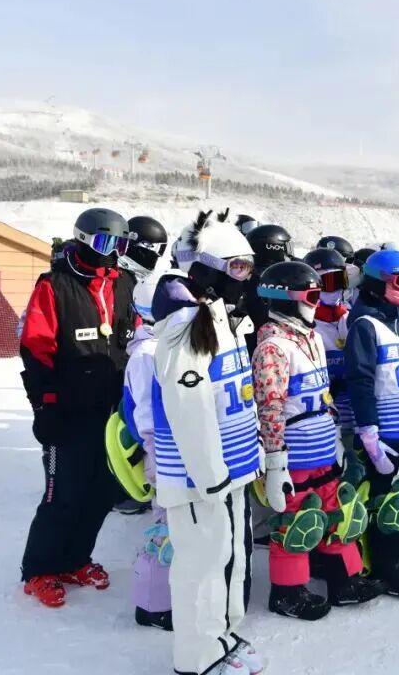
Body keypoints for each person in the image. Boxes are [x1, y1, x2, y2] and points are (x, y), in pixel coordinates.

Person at [152, 210, 264, 675]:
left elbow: (234, 394)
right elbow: (188, 405)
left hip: (232, 466)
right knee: (202, 562)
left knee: (231, 555)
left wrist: (252, 453)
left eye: (248, 267)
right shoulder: (185, 325)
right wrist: (209, 472)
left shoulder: (225, 318)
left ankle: (222, 635)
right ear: (209, 269)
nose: (245, 277)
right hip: (198, 477)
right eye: (236, 267)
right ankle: (197, 656)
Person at [19, 208, 137, 608]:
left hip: (111, 409)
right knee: (63, 493)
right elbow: (36, 348)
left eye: (121, 245)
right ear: (84, 239)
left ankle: (75, 559)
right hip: (67, 410)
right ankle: (39, 569)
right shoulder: (55, 286)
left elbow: (134, 339)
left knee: (101, 491)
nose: (113, 252)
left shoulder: (124, 284)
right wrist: (45, 405)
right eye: (106, 243)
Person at [253, 261, 383, 620]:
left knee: (336, 513)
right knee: (297, 521)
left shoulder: (310, 338)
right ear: (286, 299)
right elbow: (269, 406)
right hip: (295, 452)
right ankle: (287, 592)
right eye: (311, 296)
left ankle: (344, 580)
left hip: (322, 444)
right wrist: (275, 460)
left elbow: (323, 394)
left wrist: (336, 440)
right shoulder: (273, 346)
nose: (316, 303)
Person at [345, 249, 399, 596]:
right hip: (384, 432)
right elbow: (361, 381)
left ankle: (395, 557)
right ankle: (385, 565)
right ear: (376, 283)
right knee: (387, 500)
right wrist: (369, 432)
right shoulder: (365, 325)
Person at [122, 271, 173, 630]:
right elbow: (144, 411)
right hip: (160, 450)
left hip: (172, 448)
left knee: (177, 524)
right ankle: (151, 605)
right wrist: (157, 452)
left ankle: (167, 594)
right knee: (166, 525)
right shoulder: (146, 354)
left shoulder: (165, 346)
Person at [303, 248, 356, 445]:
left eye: (341, 281)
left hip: (356, 411)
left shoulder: (349, 318)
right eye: (330, 282)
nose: (336, 289)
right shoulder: (308, 327)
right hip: (328, 417)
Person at [241, 223, 294, 352]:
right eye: (287, 246)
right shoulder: (272, 280)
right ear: (274, 247)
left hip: (254, 344)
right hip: (271, 345)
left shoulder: (248, 276)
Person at [118, 215, 169, 280]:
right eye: (151, 247)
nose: (157, 255)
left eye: (161, 250)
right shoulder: (117, 277)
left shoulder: (145, 281)